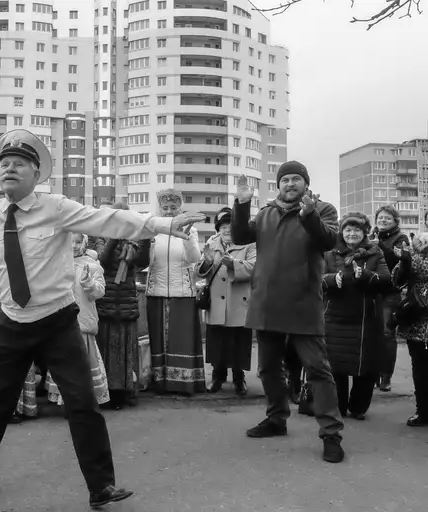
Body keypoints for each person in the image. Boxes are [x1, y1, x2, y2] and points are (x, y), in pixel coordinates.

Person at [0, 128, 204, 508]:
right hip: (11, 322)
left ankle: (102, 487)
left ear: (37, 174)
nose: (9, 170)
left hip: (57, 322)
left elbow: (108, 220)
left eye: (18, 164)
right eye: (3, 164)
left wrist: (162, 225)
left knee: (82, 404)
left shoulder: (57, 208)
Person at [231, 161, 345, 464]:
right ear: (278, 185)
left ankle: (331, 434)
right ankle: (276, 419)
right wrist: (242, 204)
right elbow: (240, 236)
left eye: (296, 179)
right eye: (285, 180)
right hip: (266, 303)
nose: (290, 184)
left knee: (318, 370)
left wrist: (309, 215)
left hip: (303, 303)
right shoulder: (267, 213)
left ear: (306, 183)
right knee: (268, 368)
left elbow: (328, 240)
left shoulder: (322, 210)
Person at [322, 212, 389, 419]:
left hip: (366, 318)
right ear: (341, 231)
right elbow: (317, 279)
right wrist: (333, 279)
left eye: (357, 230)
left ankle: (358, 407)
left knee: (366, 367)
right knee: (336, 366)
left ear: (365, 232)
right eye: (348, 229)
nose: (352, 234)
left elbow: (387, 281)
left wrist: (367, 276)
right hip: (335, 317)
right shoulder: (329, 253)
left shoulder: (374, 252)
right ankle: (338, 407)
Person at [145, 189, 206, 395]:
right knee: (158, 338)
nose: (169, 212)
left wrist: (188, 238)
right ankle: (159, 381)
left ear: (179, 208)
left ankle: (182, 382)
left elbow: (193, 259)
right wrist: (150, 243)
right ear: (159, 209)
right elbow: (148, 263)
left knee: (181, 338)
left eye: (173, 208)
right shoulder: (153, 229)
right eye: (165, 208)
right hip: (156, 291)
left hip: (183, 292)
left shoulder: (191, 230)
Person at [94, 204, 151, 409]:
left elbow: (142, 262)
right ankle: (105, 392)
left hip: (126, 302)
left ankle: (124, 391)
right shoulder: (100, 235)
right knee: (105, 350)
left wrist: (144, 236)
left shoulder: (133, 239)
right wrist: (116, 235)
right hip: (105, 301)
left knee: (125, 350)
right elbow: (103, 260)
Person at [46, 233, 110, 408]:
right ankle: (66, 401)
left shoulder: (92, 265)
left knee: (83, 364)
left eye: (78, 242)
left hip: (83, 322)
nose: (74, 245)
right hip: (61, 321)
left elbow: (99, 293)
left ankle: (83, 401)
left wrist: (88, 283)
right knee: (64, 363)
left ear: (84, 242)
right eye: (70, 242)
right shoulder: (57, 263)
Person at [196, 207, 256, 396]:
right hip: (216, 302)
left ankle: (239, 378)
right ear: (218, 229)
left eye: (230, 225)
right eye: (223, 226)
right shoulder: (211, 243)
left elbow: (255, 267)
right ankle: (217, 377)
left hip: (239, 301)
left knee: (239, 342)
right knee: (217, 342)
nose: (227, 229)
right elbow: (199, 270)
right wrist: (205, 261)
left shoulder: (249, 244)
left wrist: (234, 265)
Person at [391, 234, 428, 427]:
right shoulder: (413, 251)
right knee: (420, 368)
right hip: (418, 318)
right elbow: (397, 281)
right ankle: (423, 410)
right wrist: (404, 260)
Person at [372, 205, 410, 392]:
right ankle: (371, 373)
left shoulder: (400, 239)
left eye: (387, 218)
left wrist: (378, 244)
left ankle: (386, 375)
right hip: (372, 290)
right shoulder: (372, 235)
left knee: (387, 333)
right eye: (380, 218)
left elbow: (393, 261)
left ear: (395, 221)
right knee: (371, 333)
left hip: (390, 292)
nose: (383, 221)